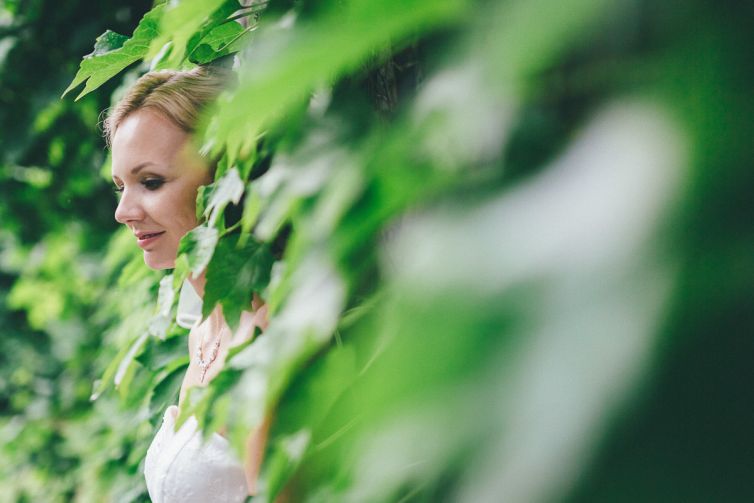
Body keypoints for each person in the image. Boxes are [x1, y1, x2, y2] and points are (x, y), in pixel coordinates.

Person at [107, 67, 268, 502]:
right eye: (120, 186)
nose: (123, 211)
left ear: (220, 178)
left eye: (151, 182)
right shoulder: (204, 332)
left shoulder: (264, 341)